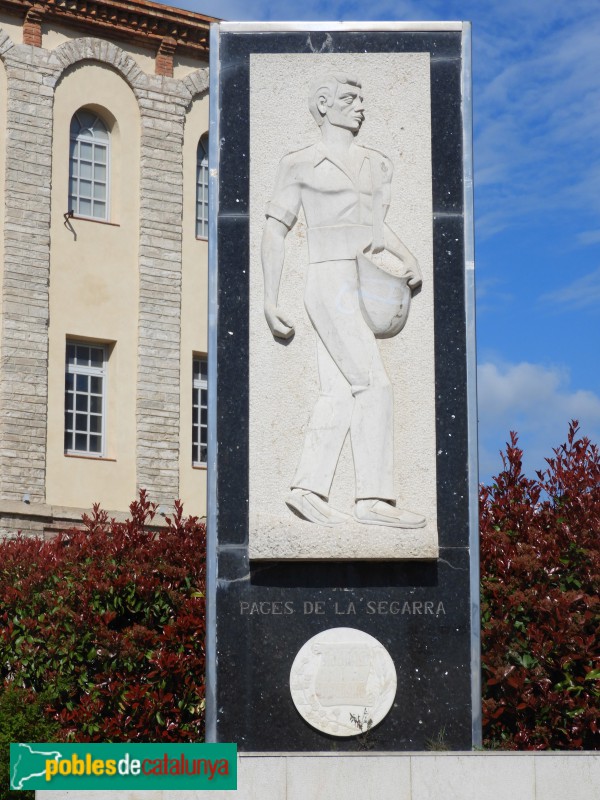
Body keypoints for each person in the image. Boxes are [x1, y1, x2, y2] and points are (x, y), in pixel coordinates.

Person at [261, 73, 425, 529]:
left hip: (365, 275)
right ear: (323, 105)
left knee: (338, 391)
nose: (360, 108)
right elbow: (276, 229)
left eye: (361, 99)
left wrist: (407, 255)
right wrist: (269, 299)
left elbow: (376, 228)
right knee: (374, 384)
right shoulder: (299, 164)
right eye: (350, 99)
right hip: (327, 277)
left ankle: (305, 490)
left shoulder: (376, 164)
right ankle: (373, 499)